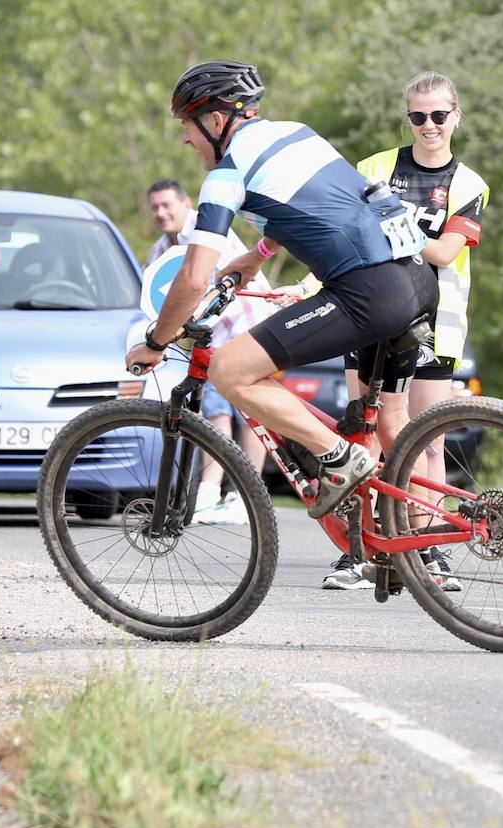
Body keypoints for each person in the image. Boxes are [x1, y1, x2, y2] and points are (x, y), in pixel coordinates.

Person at [125, 61, 438, 532]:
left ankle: (337, 457)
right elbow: (330, 206)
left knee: (231, 369)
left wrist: (155, 340)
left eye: (187, 126)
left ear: (214, 121)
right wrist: (259, 253)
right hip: (417, 277)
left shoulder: (226, 175)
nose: (186, 140)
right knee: (390, 424)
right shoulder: (296, 133)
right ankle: (423, 551)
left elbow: (192, 278)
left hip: (368, 291)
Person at [325, 71, 489, 591]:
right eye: (418, 116)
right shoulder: (373, 166)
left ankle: (429, 549)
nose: (429, 125)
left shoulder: (468, 183)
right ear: (408, 118)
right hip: (367, 312)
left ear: (456, 116)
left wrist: (388, 224)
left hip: (433, 324)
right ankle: (359, 549)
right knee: (361, 435)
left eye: (439, 115)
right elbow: (347, 229)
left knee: (429, 443)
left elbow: (444, 253)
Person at [143, 178, 277, 524]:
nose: (160, 213)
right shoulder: (162, 249)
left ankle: (242, 494)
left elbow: (196, 282)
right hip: (212, 331)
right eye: (155, 207)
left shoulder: (201, 230)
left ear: (185, 203)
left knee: (248, 409)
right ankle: (211, 490)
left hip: (246, 320)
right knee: (213, 407)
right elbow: (158, 299)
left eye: (166, 205)